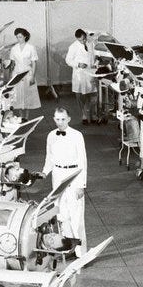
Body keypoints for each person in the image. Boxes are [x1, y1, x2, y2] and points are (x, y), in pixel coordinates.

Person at [41, 107, 88, 259]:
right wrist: (44, 172)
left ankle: (82, 253)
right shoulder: (51, 136)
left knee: (76, 216)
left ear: (68, 119)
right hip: (58, 175)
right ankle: (68, 248)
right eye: (57, 119)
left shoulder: (77, 135)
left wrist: (81, 185)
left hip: (74, 176)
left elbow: (83, 161)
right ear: (54, 119)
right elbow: (49, 158)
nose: (60, 122)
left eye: (63, 119)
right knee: (62, 215)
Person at [65, 29, 99, 125]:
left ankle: (93, 115)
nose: (83, 41)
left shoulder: (91, 43)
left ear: (86, 36)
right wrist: (78, 64)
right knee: (80, 95)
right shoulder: (73, 46)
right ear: (77, 39)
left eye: (84, 39)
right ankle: (84, 114)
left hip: (91, 73)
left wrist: (95, 64)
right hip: (80, 74)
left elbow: (96, 57)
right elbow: (68, 60)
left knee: (93, 95)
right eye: (80, 40)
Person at [9, 28, 41, 119]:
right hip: (17, 74)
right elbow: (12, 63)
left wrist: (33, 77)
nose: (18, 39)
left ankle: (26, 117)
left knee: (27, 96)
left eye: (20, 37)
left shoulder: (31, 47)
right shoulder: (14, 48)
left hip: (28, 74)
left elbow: (34, 63)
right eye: (17, 37)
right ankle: (20, 116)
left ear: (25, 37)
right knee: (18, 96)